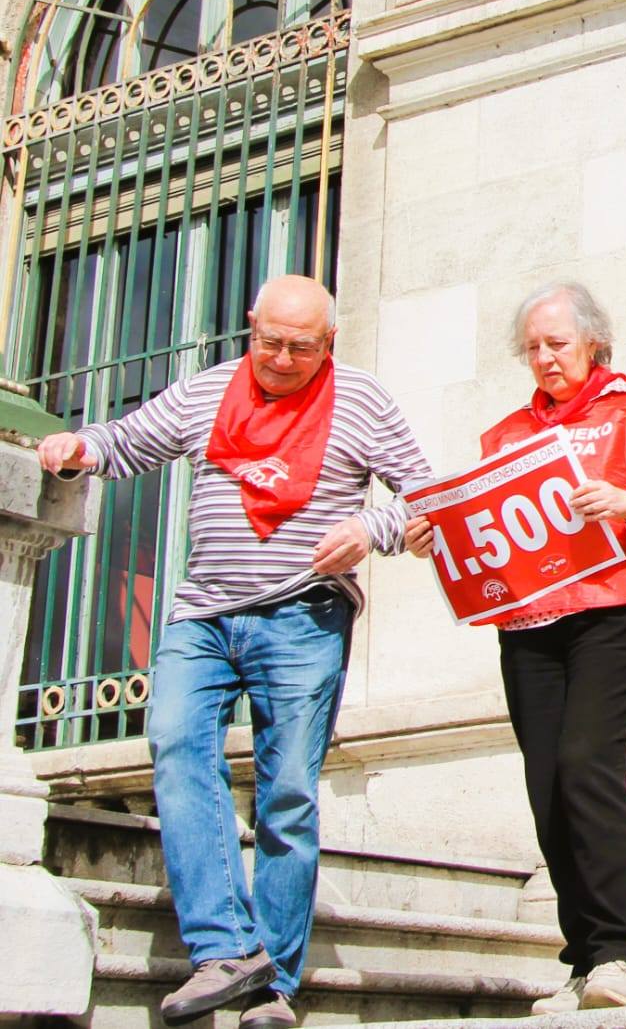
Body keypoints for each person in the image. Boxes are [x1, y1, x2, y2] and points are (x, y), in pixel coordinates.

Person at [36, 275, 432, 1029]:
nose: (281, 359)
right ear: (250, 325)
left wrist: (370, 528)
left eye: (300, 348)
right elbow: (127, 442)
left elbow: (428, 496)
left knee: (287, 794)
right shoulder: (207, 390)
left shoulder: (362, 400)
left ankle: (273, 987)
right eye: (268, 341)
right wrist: (77, 445)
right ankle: (225, 949)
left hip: (304, 616)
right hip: (204, 616)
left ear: (330, 341)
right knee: (176, 743)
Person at [406, 283, 626, 1014]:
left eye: (557, 344)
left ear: (593, 343)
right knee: (547, 784)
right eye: (531, 347)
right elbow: (483, 530)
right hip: (531, 624)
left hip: (617, 612)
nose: (544, 358)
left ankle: (620, 953)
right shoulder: (505, 437)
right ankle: (585, 957)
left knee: (586, 763)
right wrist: (437, 537)